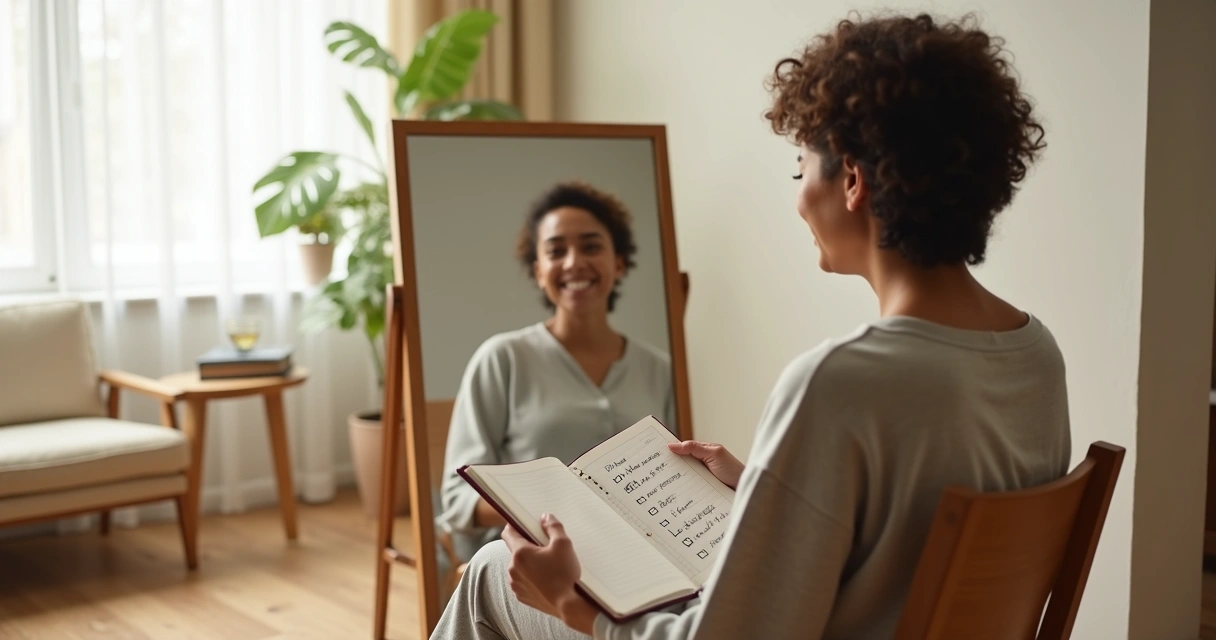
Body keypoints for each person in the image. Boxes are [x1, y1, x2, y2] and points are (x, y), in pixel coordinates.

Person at [429, 10, 1071, 640]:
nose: (799, 197)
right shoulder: (1036, 356)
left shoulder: (839, 382)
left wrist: (576, 608)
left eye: (801, 169)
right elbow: (900, 542)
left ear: (852, 179)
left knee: (490, 571)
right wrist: (762, 489)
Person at [436, 179, 678, 569]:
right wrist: (562, 505)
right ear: (538, 270)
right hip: (529, 563)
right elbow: (458, 500)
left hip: (641, 560)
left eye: (591, 246)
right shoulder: (503, 359)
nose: (573, 262)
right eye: (556, 251)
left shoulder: (661, 370)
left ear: (619, 262)